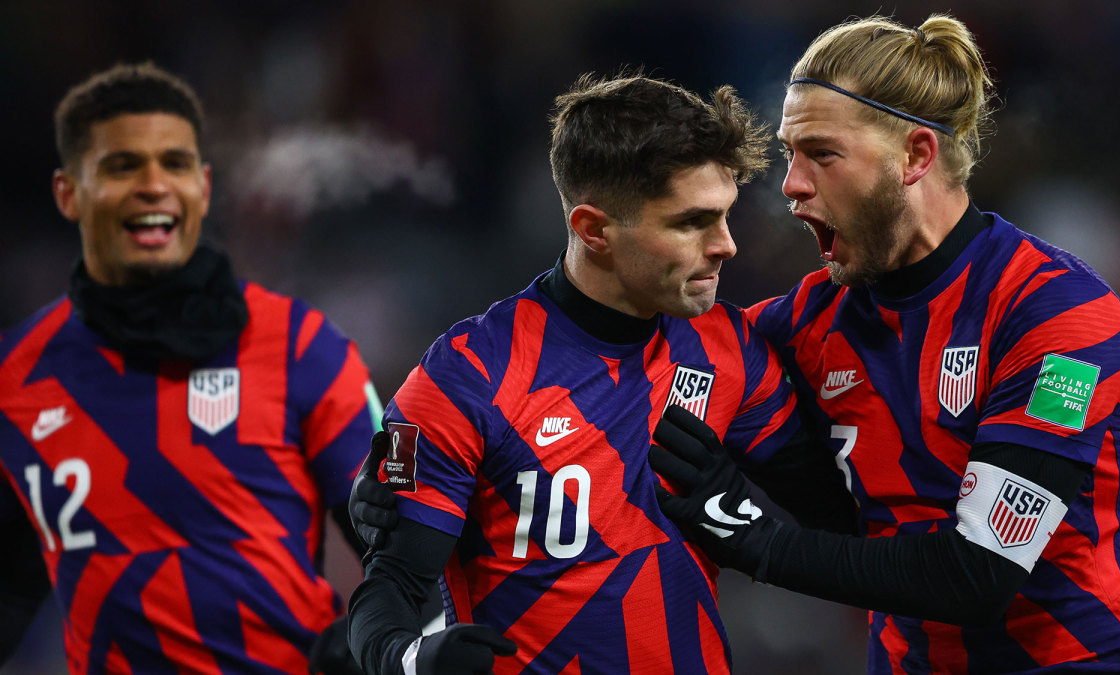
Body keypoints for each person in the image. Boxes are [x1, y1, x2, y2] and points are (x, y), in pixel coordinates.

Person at [648, 13, 1120, 673]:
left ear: (916, 156)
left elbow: (978, 572)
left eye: (822, 154)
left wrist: (754, 537)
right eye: (790, 154)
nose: (791, 185)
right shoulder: (807, 323)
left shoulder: (1059, 316)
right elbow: (626, 360)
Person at [344, 72, 856, 675]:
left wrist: (745, 518)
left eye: (725, 216)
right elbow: (391, 587)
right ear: (593, 230)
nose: (726, 245)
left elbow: (845, 520)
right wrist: (409, 660)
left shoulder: (728, 347)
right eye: (691, 222)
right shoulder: (470, 376)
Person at [0, 62, 379, 675]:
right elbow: (11, 588)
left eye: (174, 164)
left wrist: (373, 645)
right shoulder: (14, 376)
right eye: (122, 165)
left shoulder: (301, 346)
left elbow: (405, 542)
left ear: (203, 187)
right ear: (67, 193)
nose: (154, 184)